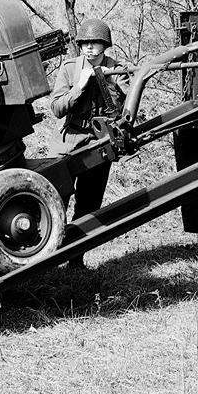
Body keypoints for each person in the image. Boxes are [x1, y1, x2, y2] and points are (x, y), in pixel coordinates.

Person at [50, 18, 128, 266]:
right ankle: (48, 258)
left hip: (99, 143)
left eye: (95, 42)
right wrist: (81, 85)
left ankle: (76, 259)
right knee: (56, 202)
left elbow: (127, 108)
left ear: (105, 45)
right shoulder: (70, 69)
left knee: (89, 203)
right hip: (69, 142)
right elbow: (56, 108)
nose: (89, 47)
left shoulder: (117, 69)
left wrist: (109, 80)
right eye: (85, 43)